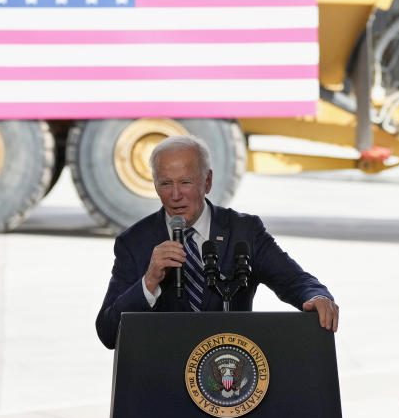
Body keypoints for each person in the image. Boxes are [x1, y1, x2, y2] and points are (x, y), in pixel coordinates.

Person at [96, 135, 339, 349]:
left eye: (186, 182)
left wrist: (319, 298)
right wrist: (149, 282)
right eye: (166, 183)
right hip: (164, 381)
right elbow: (108, 332)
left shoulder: (244, 231)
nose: (175, 195)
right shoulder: (135, 242)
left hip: (230, 379)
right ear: (155, 184)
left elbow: (295, 281)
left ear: (208, 182)